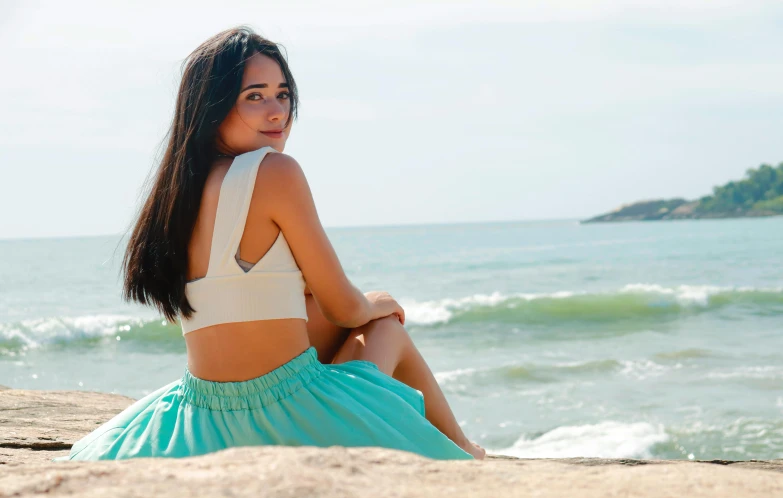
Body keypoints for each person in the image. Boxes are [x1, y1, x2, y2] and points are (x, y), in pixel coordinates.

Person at [55, 26, 486, 462]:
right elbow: (346, 309)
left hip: (205, 413)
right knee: (385, 326)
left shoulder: (175, 196)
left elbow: (254, 296)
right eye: (255, 97)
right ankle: (465, 453)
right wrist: (375, 302)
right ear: (212, 107)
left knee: (313, 311)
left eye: (282, 94)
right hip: (288, 412)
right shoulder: (275, 172)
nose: (277, 111)